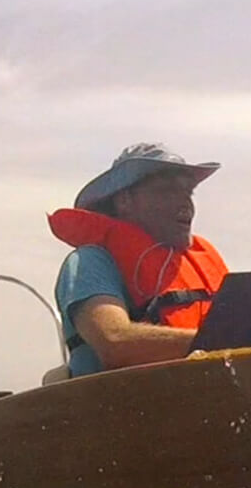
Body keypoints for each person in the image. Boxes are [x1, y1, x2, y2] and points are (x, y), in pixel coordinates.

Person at [48, 143, 229, 377]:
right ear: (124, 201)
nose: (185, 202)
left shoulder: (198, 261)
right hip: (118, 407)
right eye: (167, 191)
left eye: (188, 192)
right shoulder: (89, 262)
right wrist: (226, 340)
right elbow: (114, 341)